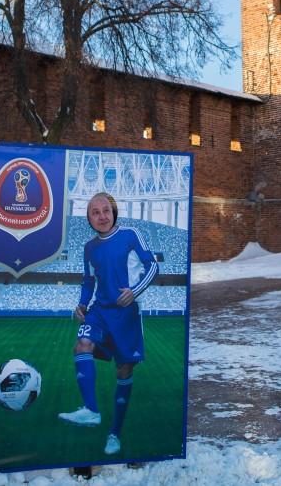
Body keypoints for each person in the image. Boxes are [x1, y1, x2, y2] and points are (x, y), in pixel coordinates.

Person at [58, 192, 159, 456]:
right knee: (82, 346)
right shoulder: (89, 248)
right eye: (95, 212)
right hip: (99, 311)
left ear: (113, 212)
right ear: (89, 218)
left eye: (105, 210)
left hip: (126, 315)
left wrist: (134, 291)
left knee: (124, 372)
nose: (101, 216)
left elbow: (152, 267)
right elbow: (88, 280)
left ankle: (114, 433)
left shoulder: (130, 235)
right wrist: (81, 304)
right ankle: (90, 410)